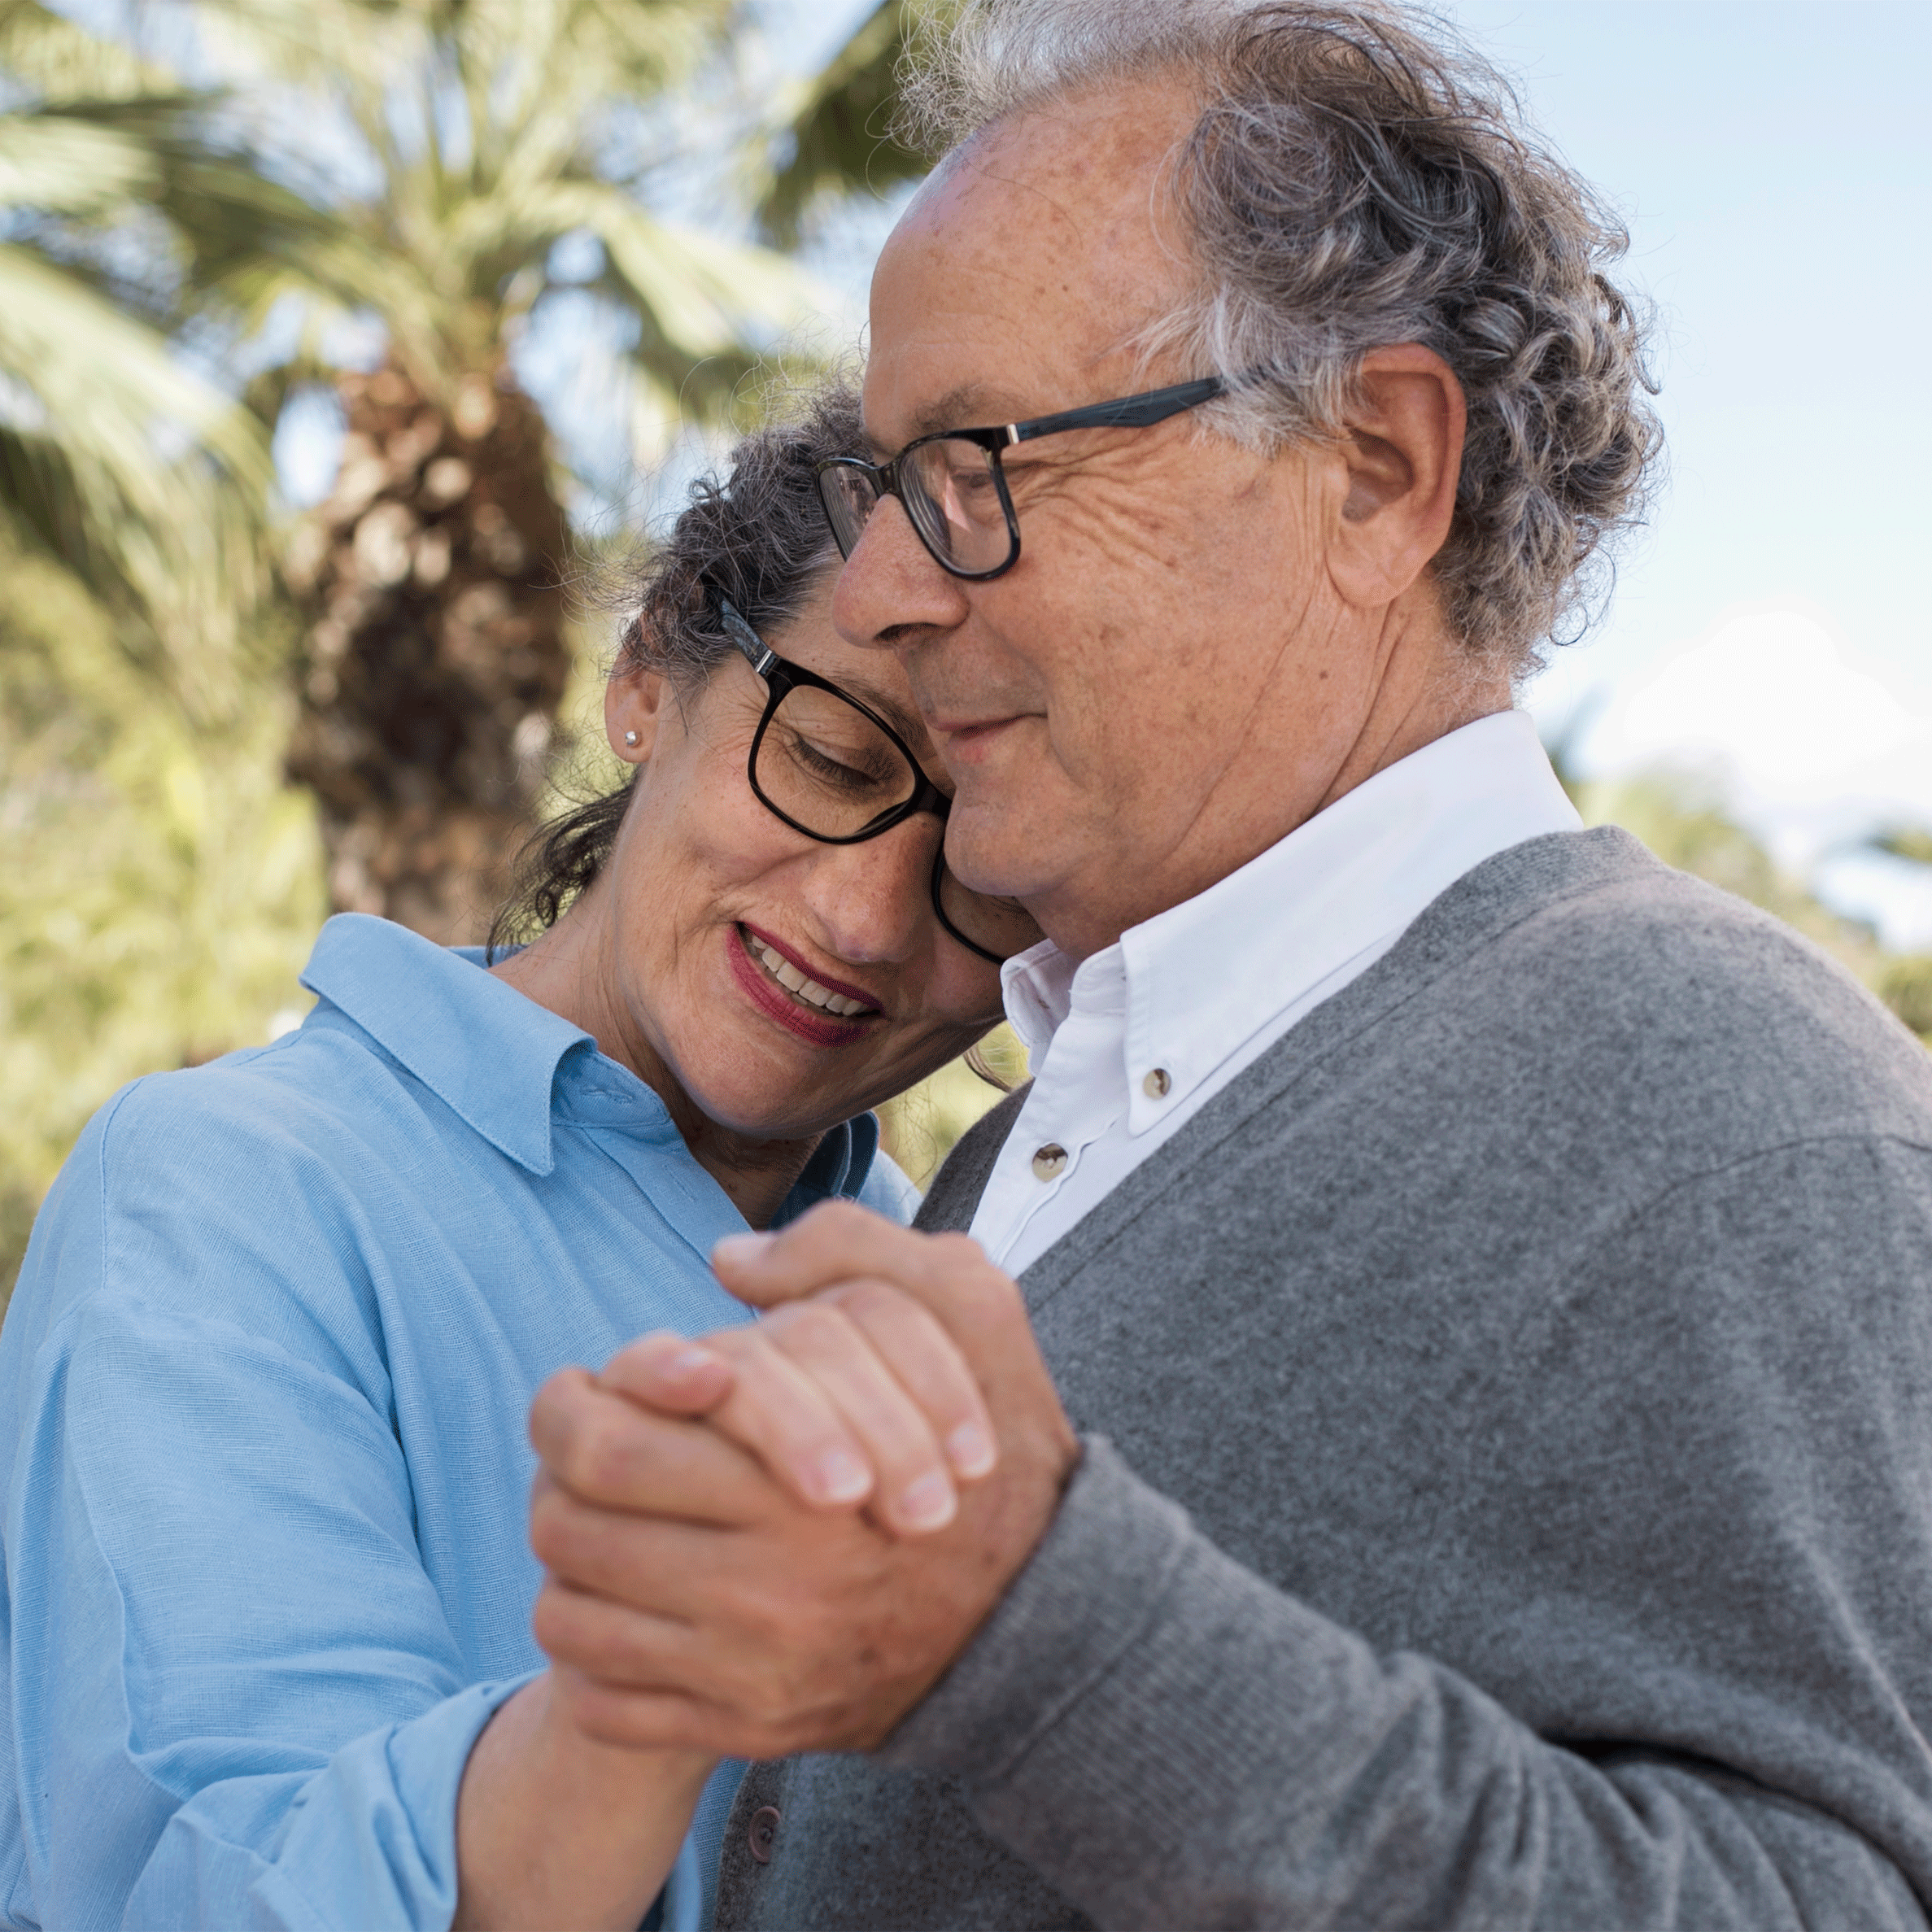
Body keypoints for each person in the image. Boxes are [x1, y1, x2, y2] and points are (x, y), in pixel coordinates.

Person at [521, 3, 1932, 1928]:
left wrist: (1033, 1631)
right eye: (887, 483)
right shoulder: (1047, 1117)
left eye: (973, 466)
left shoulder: (1722, 1095)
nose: (885, 587)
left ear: (1372, 468)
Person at [0, 386, 1033, 1930]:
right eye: (828, 758)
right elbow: (225, 1880)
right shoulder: (227, 1186)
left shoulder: (964, 1289)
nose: (865, 918)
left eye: (983, 866)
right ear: (647, 673)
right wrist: (655, 1679)